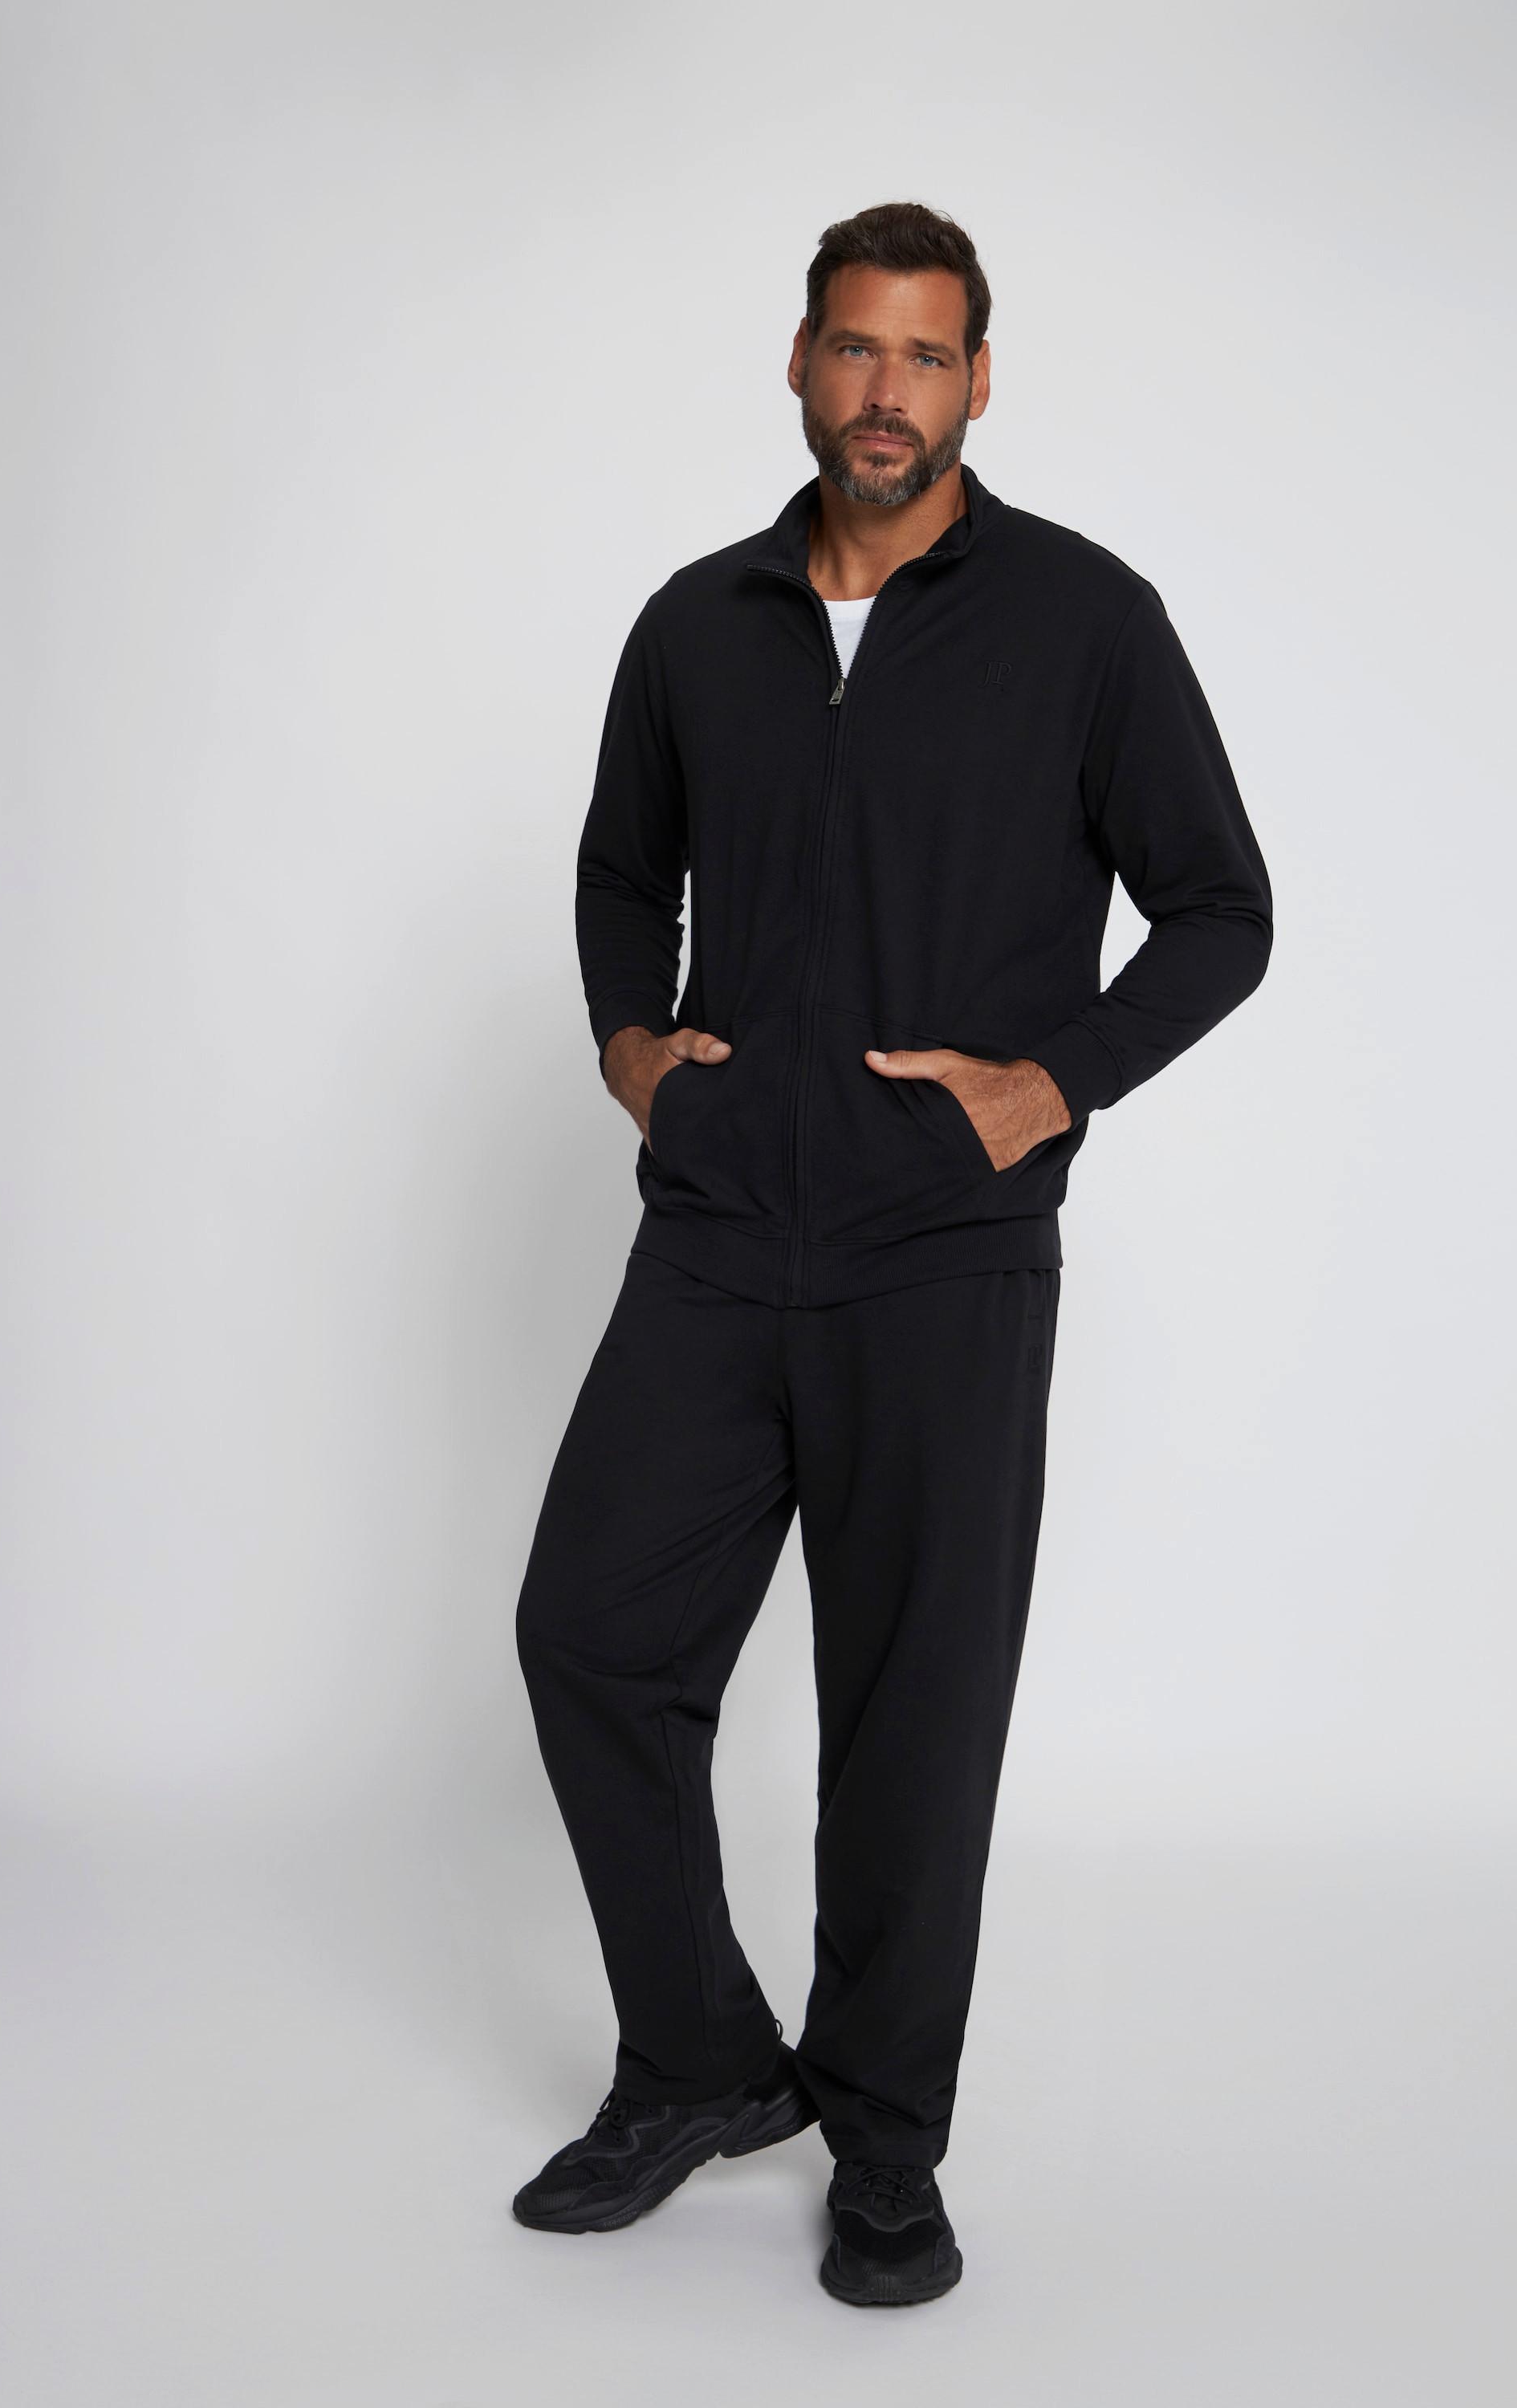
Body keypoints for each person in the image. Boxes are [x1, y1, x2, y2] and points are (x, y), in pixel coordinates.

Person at [509, 199, 1273, 2308]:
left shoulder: (1084, 621)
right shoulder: (698, 624)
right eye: (855, 348)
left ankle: (886, 2144)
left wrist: (1055, 1084)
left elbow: (1222, 907)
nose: (886, 392)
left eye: (927, 356)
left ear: (979, 382)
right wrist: (638, 1053)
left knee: (911, 1719)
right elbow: (618, 872)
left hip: (945, 1255)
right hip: (717, 1237)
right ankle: (699, 2063)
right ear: (799, 362)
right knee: (592, 1636)